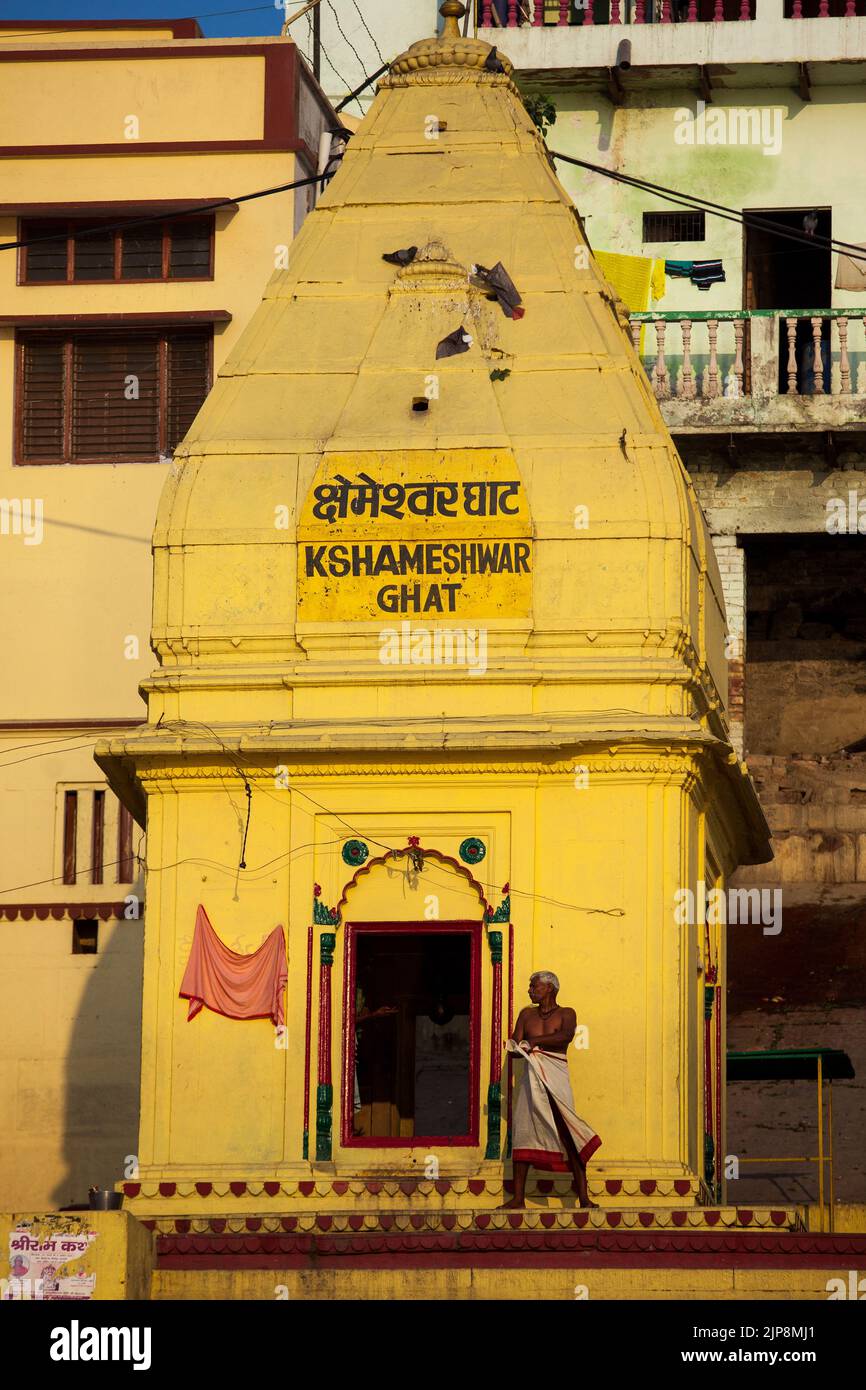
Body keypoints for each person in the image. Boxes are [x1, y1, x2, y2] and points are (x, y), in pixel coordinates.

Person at [500, 970, 600, 1209]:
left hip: (556, 1078)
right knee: (524, 1132)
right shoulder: (526, 1015)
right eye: (530, 986)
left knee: (569, 1133)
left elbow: (566, 1037)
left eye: (534, 986)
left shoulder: (567, 1013)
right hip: (531, 1079)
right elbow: (515, 1050)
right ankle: (518, 1198)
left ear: (550, 988)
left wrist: (534, 1043)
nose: (530, 990)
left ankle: (584, 1198)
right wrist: (517, 1046)